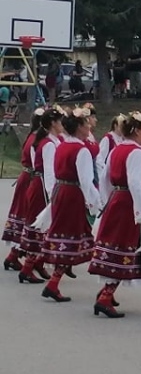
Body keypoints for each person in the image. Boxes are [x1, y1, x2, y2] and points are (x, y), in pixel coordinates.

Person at [88, 112, 141, 318]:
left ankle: (106, 293)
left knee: (116, 246)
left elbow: (105, 177)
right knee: (125, 247)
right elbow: (136, 184)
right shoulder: (135, 152)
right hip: (128, 203)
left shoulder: (118, 149)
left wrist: (107, 200)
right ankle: (105, 297)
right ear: (136, 131)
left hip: (117, 199)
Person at [39, 106, 102, 302]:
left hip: (61, 191)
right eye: (86, 125)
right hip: (72, 194)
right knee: (71, 236)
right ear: (79, 128)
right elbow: (85, 180)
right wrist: (95, 202)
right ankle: (52, 281)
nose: (89, 129)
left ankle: (53, 282)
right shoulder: (80, 150)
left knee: (65, 235)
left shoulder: (62, 145)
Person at [17, 107, 64, 284]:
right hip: (43, 185)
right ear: (52, 123)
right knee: (41, 226)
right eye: (59, 122)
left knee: (40, 227)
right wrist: (54, 195)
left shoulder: (47, 141)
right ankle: (28, 267)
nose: (62, 125)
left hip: (38, 183)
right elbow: (50, 172)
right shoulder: (49, 144)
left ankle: (30, 266)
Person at [2, 110, 42, 271]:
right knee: (27, 217)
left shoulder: (32, 137)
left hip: (27, 178)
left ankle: (13, 255)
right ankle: (16, 255)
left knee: (25, 216)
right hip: (30, 179)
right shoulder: (36, 140)